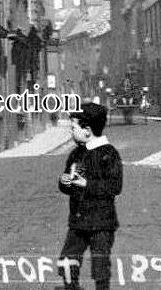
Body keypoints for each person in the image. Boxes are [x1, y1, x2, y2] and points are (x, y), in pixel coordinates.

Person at [57, 103, 123, 290]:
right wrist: (65, 182)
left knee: (100, 266)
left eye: (73, 128)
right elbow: (67, 185)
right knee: (67, 262)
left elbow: (115, 186)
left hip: (101, 222)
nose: (71, 132)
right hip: (78, 221)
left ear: (87, 130)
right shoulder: (75, 154)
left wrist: (86, 184)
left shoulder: (109, 154)